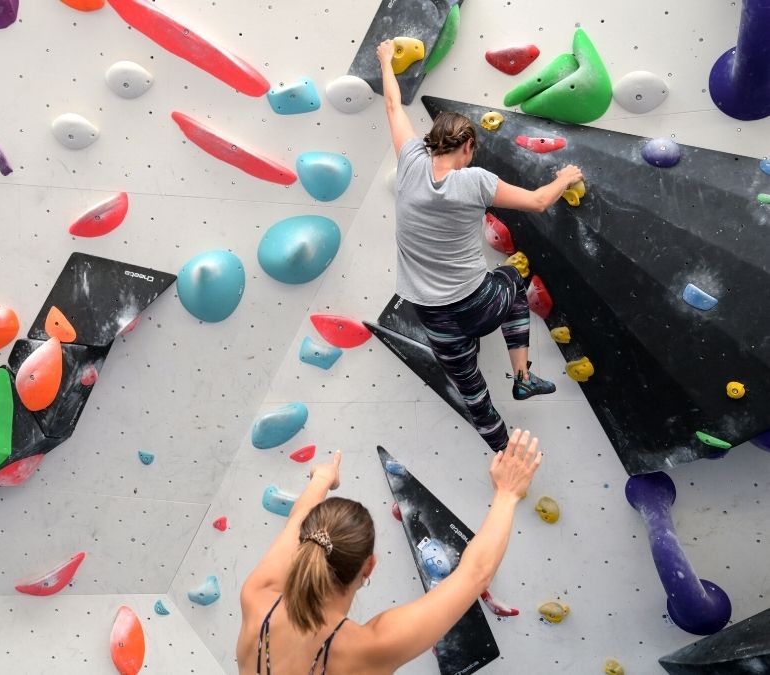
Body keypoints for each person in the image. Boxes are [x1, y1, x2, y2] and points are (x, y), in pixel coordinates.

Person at [376, 38, 585, 453]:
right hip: (478, 302)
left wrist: (386, 61)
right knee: (511, 277)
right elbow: (539, 201)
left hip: (433, 315)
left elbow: (394, 108)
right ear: (468, 146)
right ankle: (522, 376)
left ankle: (504, 453)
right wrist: (565, 177)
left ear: (433, 140)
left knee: (472, 392)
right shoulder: (475, 181)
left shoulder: (411, 162)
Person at [236, 428, 542, 674]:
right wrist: (507, 493)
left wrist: (321, 479)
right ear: (369, 567)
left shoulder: (257, 595)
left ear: (304, 547)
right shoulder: (367, 649)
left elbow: (296, 524)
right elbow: (475, 574)